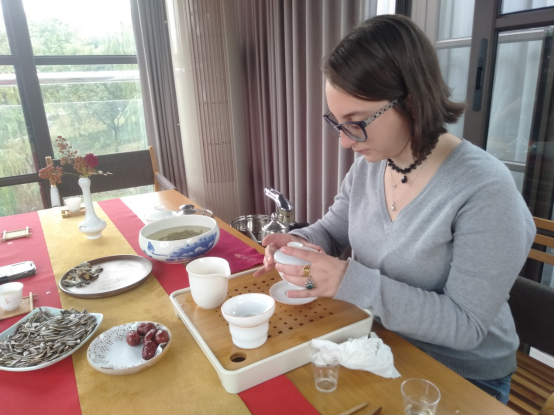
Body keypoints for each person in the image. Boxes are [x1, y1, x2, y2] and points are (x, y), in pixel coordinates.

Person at [254, 14, 536, 405]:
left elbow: (466, 325)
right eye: (337, 123)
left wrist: (348, 280)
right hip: (378, 337)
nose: (345, 141)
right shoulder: (371, 165)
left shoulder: (485, 189)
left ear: (412, 101)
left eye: (356, 122)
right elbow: (334, 230)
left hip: (459, 371)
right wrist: (299, 241)